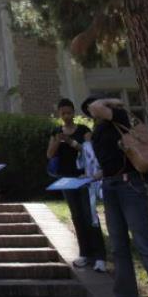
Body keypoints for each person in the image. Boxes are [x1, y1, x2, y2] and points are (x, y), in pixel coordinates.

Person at [84, 96, 148, 297]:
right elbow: (108, 162)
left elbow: (99, 105)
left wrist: (110, 101)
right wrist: (94, 176)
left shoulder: (119, 117)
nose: (90, 111)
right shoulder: (98, 129)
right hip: (109, 186)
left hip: (129, 186)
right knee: (118, 247)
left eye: (92, 107)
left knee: (144, 244)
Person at [46, 98, 107, 272]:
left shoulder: (83, 130)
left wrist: (72, 143)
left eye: (69, 112)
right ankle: (84, 253)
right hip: (67, 180)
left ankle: (100, 256)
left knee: (90, 216)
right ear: (59, 114)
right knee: (77, 216)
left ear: (73, 113)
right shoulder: (56, 131)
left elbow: (90, 152)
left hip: (85, 177)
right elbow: (49, 155)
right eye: (63, 113)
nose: (66, 116)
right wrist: (58, 140)